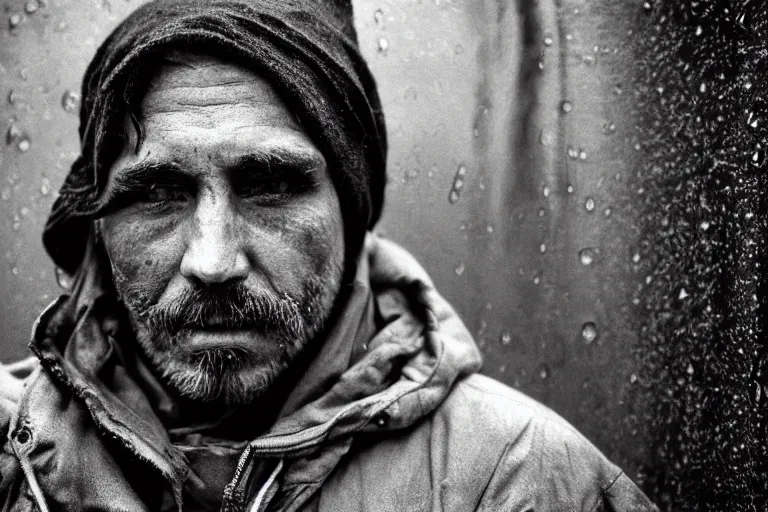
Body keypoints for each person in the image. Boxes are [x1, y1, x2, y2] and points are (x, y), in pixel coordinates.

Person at [0, 1, 657, 510]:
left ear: (353, 207)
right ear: (96, 223)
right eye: (158, 192)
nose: (212, 259)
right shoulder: (12, 458)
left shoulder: (525, 482)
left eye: (271, 186)